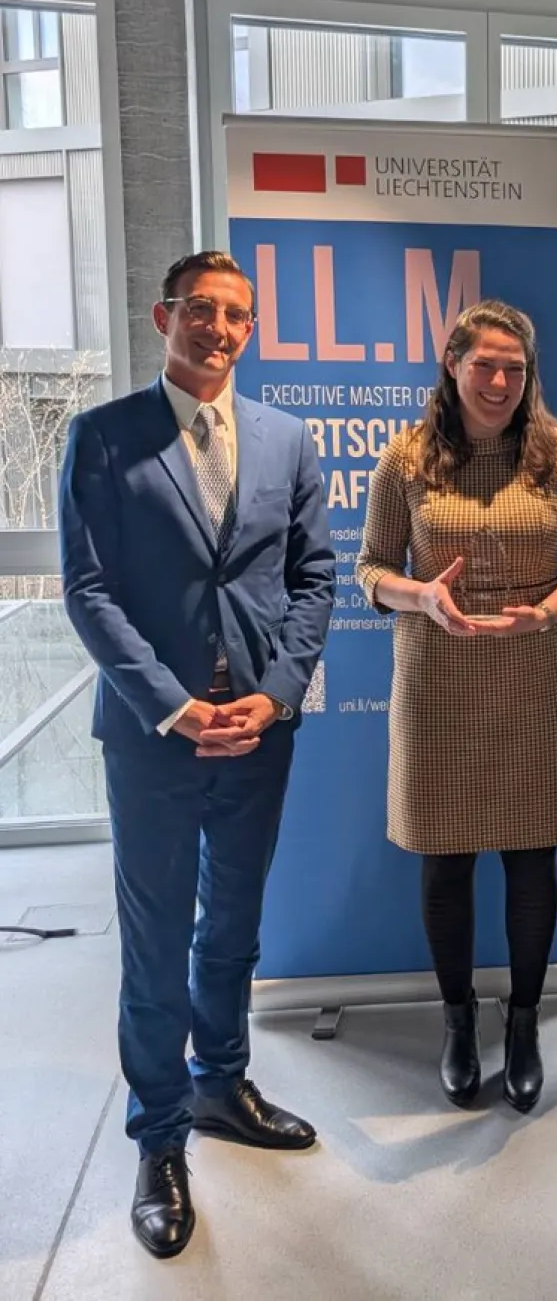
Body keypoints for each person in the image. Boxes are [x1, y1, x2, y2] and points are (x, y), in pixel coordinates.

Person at [59, 251, 335, 1259]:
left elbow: (314, 578)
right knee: (156, 939)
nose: (220, 329)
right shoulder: (104, 436)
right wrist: (175, 707)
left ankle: (221, 1082)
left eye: (238, 316)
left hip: (260, 730)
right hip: (155, 737)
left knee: (234, 926)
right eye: (203, 311)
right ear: (163, 313)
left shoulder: (285, 439)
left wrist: (276, 692)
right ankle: (160, 1137)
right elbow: (87, 591)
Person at [357, 300, 557, 1116]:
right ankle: (460, 1022)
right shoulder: (406, 458)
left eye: (515, 367)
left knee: (534, 858)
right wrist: (420, 596)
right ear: (452, 365)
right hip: (438, 679)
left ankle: (527, 1020)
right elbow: (368, 568)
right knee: (449, 860)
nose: (500, 381)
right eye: (485, 364)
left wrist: (548, 610)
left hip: (535, 679)